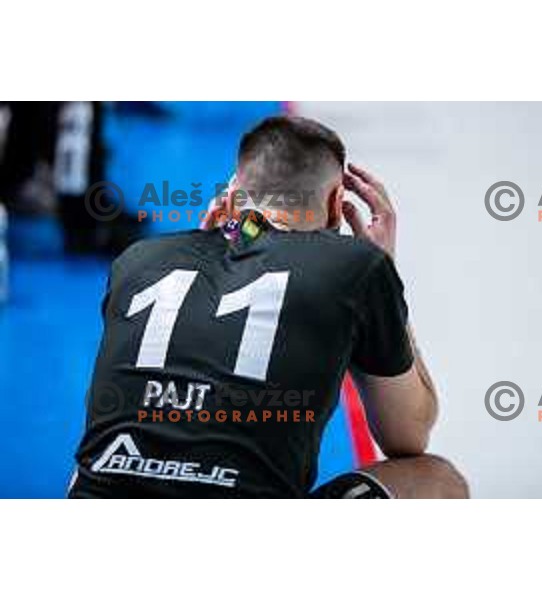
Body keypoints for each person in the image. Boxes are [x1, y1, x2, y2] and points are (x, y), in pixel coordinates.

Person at [69, 116, 468, 499]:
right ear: (335, 204)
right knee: (438, 479)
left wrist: (204, 258)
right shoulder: (356, 266)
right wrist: (387, 281)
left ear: (231, 198)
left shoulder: (138, 259)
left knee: (96, 464)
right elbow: (408, 434)